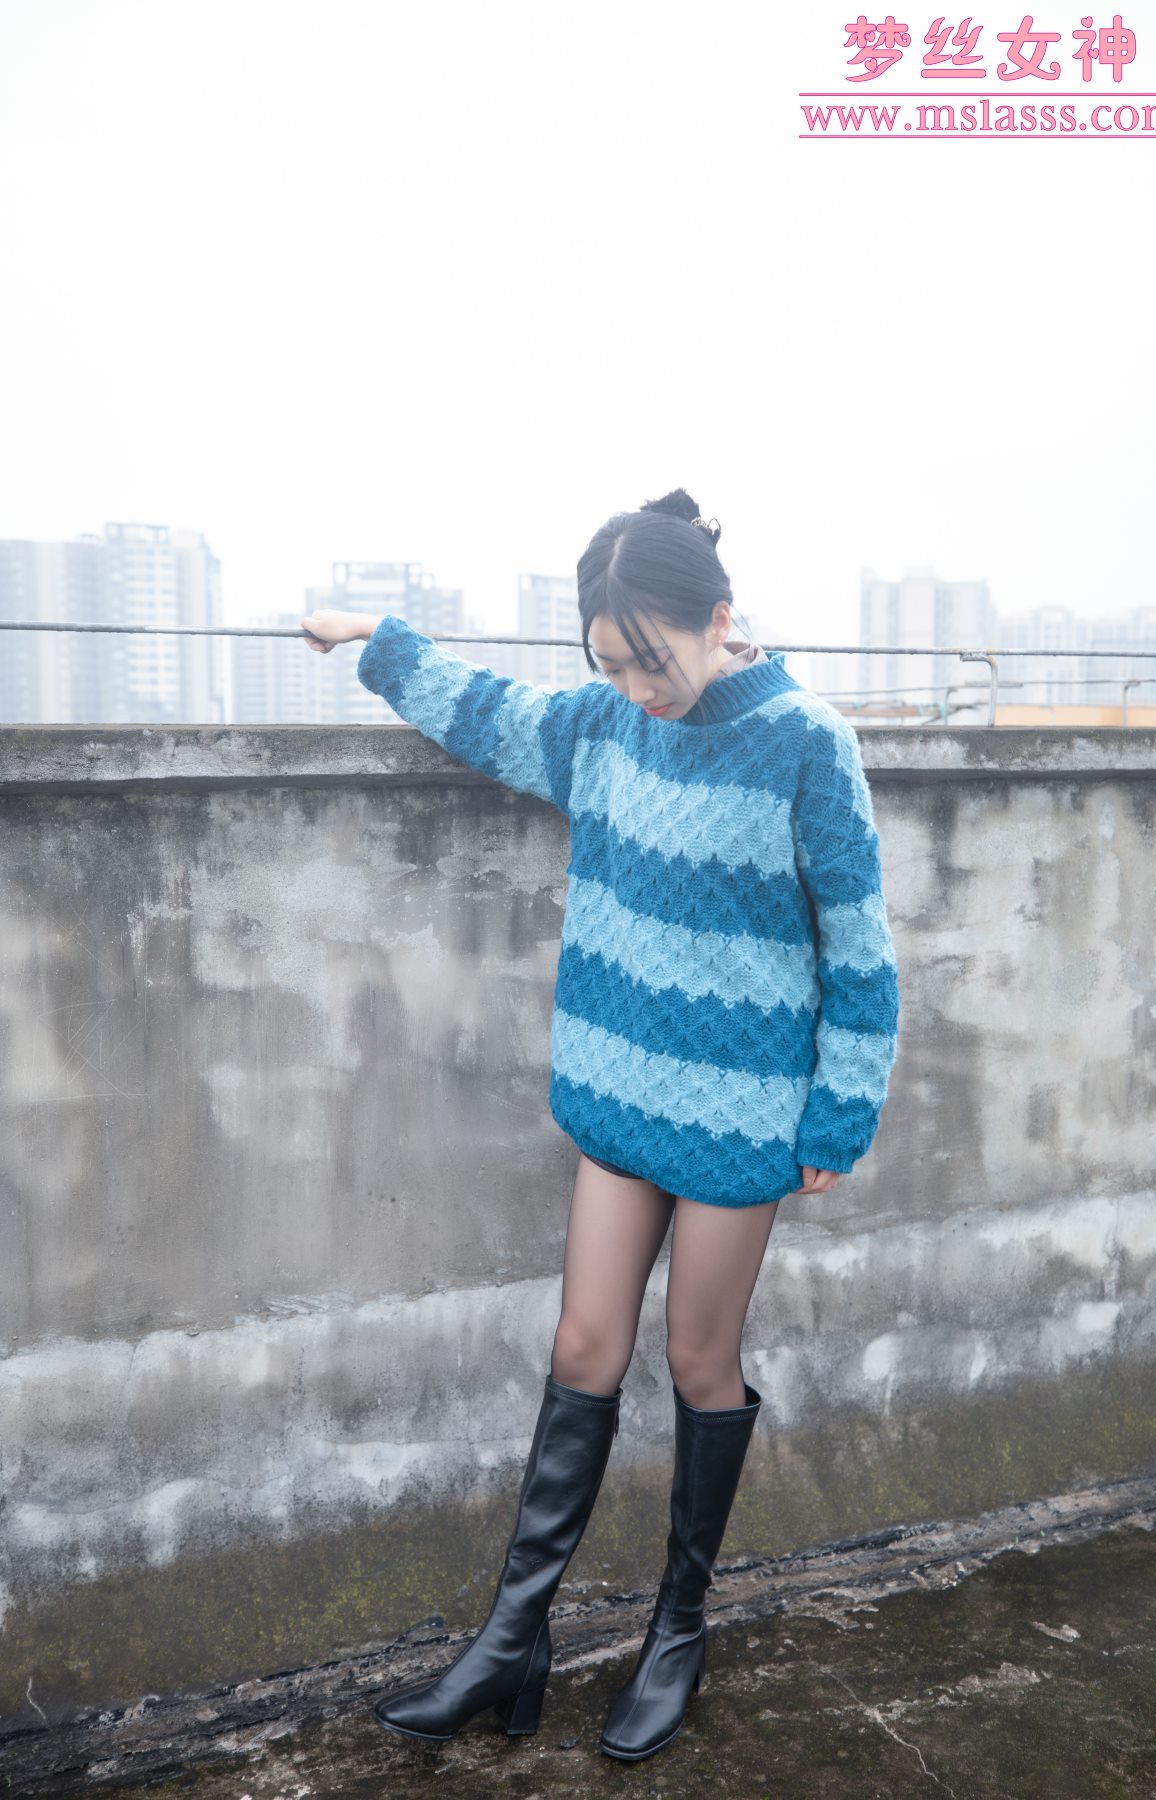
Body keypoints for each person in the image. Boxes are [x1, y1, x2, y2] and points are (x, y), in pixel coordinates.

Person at [299, 486, 900, 1763]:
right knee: (584, 1345)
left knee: (696, 1359)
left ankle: (677, 1631)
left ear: (719, 621)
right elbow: (484, 710)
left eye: (651, 660)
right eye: (610, 663)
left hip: (743, 1116)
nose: (635, 688)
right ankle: (513, 1639)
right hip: (621, 1093)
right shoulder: (603, 725)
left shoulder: (807, 742)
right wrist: (374, 640)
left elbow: (859, 947)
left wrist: (839, 1113)